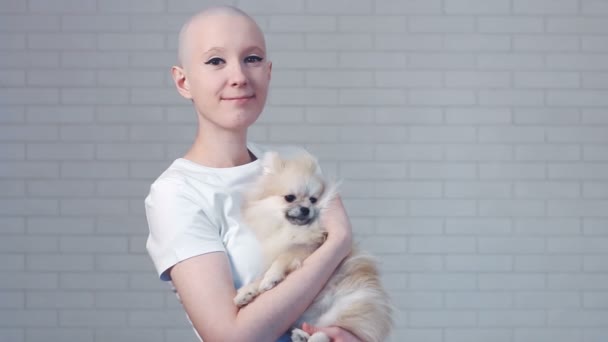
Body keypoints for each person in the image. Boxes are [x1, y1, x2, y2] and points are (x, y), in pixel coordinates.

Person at [144, 6, 362, 342]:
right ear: (183, 81)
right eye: (216, 61)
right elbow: (230, 337)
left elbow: (349, 287)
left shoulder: (294, 166)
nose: (240, 77)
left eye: (253, 59)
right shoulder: (176, 194)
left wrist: (352, 334)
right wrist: (338, 243)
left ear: (269, 71)